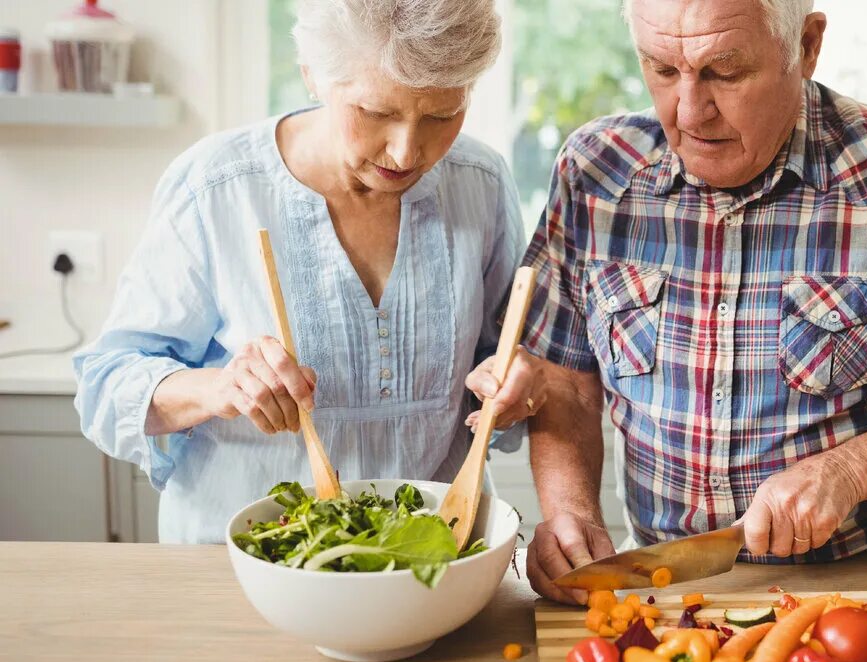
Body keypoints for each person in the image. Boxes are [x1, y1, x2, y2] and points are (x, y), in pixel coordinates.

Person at [520, 0, 867, 604]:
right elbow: (564, 378)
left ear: (807, 46)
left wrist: (847, 471)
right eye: (661, 69)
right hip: (664, 576)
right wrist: (571, 511)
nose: (688, 111)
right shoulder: (594, 171)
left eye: (726, 71)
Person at [74, 0, 543, 544]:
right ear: (313, 77)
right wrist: (221, 388)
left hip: (433, 563)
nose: (407, 150)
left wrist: (516, 385)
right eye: (376, 111)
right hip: (241, 564)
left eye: (442, 116)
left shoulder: (480, 182)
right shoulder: (217, 186)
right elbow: (105, 387)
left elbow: (501, 359)